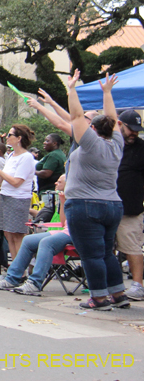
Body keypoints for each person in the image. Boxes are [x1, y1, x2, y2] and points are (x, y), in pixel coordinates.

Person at [62, 71, 128, 310]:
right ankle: (118, 294)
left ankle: (99, 298)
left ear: (92, 128)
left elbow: (76, 115)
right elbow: (113, 118)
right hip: (113, 205)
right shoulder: (117, 144)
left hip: (85, 205)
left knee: (91, 255)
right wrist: (107, 93)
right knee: (107, 253)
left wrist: (72, 90)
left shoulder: (89, 143)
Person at [0, 175, 72, 295]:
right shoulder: (64, 197)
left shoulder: (81, 197)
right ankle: (12, 278)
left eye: (59, 181)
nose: (55, 183)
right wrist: (63, 201)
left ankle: (35, 283)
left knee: (46, 243)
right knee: (29, 240)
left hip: (78, 233)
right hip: (66, 230)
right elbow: (64, 222)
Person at [0, 124, 37, 262]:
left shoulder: (26, 157)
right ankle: (15, 269)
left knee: (17, 235)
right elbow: (3, 179)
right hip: (5, 196)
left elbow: (17, 182)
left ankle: (21, 270)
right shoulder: (11, 156)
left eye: (10, 134)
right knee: (8, 234)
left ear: (18, 138)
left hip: (18, 199)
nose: (7, 137)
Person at [115, 109, 144, 300]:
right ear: (120, 125)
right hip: (107, 205)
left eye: (137, 130)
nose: (134, 133)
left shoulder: (141, 148)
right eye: (130, 129)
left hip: (131, 208)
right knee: (105, 248)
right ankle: (111, 285)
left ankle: (137, 284)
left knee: (133, 246)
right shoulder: (110, 144)